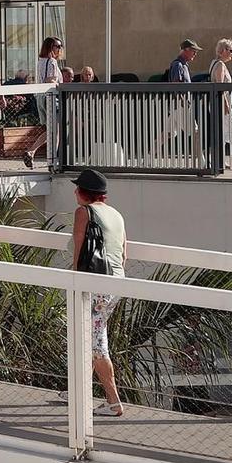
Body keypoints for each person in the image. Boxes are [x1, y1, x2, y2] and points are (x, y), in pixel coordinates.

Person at [70, 168, 128, 416]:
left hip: (94, 283)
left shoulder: (84, 212)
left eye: (77, 188)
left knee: (95, 342)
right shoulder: (116, 214)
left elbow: (79, 248)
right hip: (115, 282)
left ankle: (113, 401)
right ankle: (76, 390)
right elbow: (124, 254)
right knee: (90, 336)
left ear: (83, 192)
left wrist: (74, 278)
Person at [210, 38, 232, 146]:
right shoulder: (220, 65)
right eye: (231, 51)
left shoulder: (214, 63)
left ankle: (220, 158)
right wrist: (226, 104)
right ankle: (218, 158)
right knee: (229, 130)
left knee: (224, 131)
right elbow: (220, 85)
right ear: (223, 51)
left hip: (220, 103)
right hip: (221, 104)